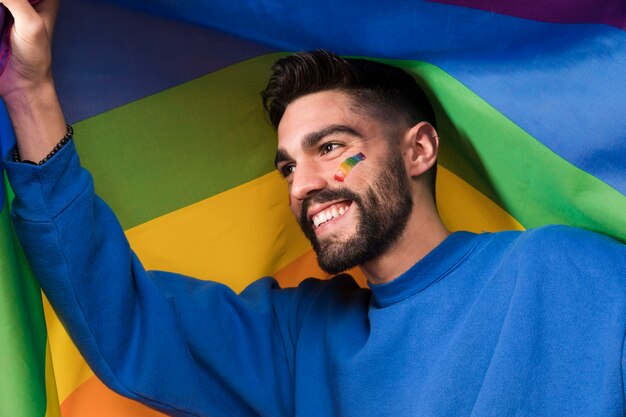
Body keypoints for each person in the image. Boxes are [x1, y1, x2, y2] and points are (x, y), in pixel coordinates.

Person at [2, 0, 626, 416]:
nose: (302, 184)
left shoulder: (563, 271)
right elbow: (124, 324)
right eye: (288, 167)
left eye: (331, 147)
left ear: (420, 149)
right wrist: (30, 93)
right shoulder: (299, 341)